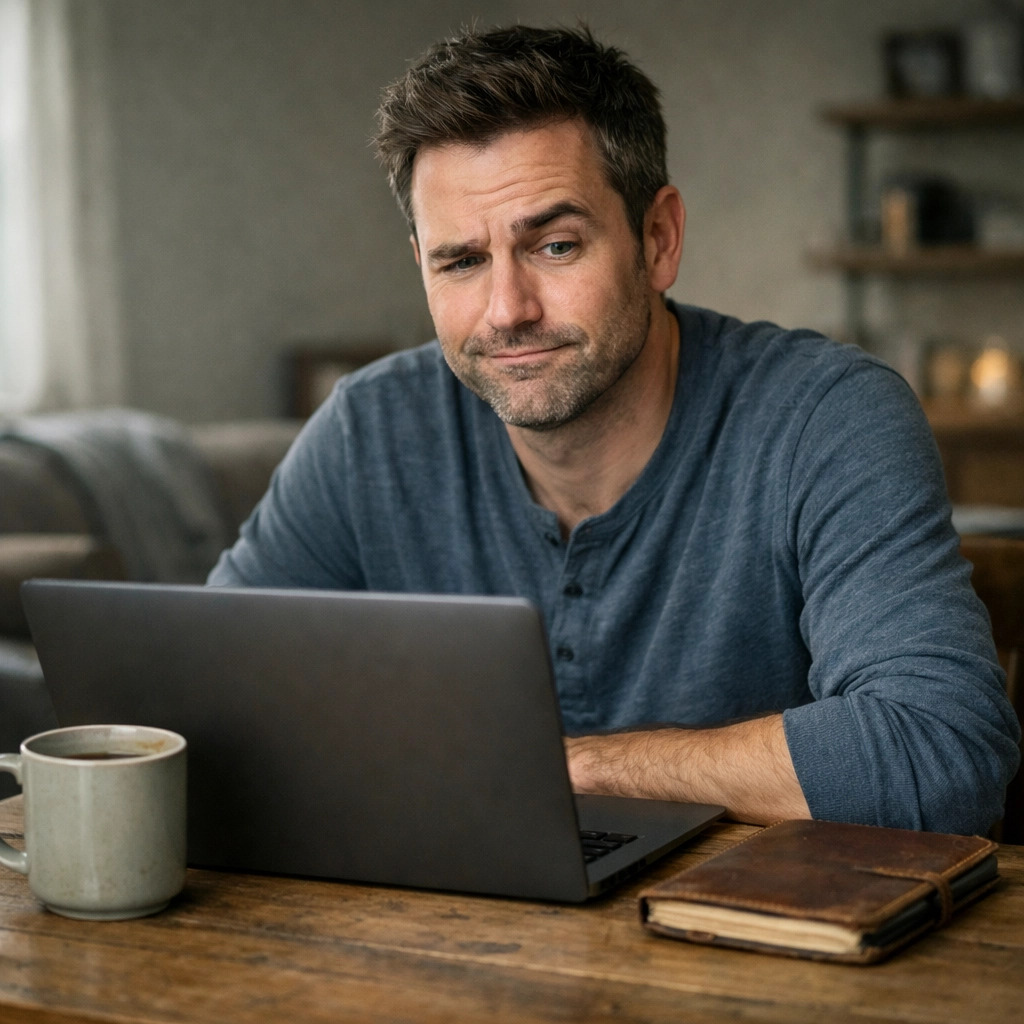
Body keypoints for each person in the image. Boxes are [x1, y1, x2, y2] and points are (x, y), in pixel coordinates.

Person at [209, 24, 1019, 834]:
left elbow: (941, 754)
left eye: (556, 245)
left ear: (658, 239)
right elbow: (209, 698)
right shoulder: (369, 430)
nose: (507, 311)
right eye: (460, 262)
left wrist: (574, 768)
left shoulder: (829, 417)